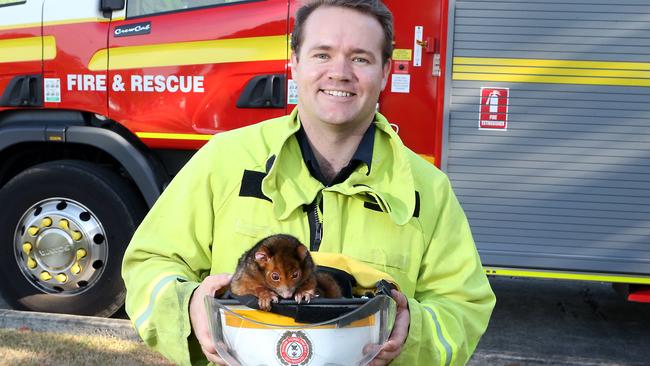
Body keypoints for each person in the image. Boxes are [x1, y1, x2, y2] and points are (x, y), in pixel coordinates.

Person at [121, 0, 496, 365]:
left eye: (361, 58)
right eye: (322, 54)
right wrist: (190, 308)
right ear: (295, 63)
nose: (340, 72)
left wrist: (411, 331)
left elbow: (464, 307)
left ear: (385, 72)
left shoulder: (427, 190)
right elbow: (150, 264)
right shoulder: (224, 161)